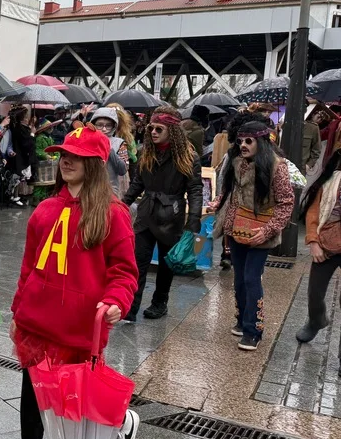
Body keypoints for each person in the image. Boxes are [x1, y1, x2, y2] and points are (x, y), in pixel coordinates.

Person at [0, 125, 140, 439]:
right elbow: (29, 268)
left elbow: (124, 271)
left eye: (77, 156)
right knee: (33, 396)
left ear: (96, 164)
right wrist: (18, 311)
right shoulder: (44, 210)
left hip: (80, 327)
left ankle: (121, 420)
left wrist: (116, 300)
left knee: (77, 403)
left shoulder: (113, 214)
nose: (66, 161)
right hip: (38, 323)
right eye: (63, 154)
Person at [212, 117, 294, 351]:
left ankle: (253, 330)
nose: (243, 145)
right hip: (236, 227)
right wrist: (219, 202)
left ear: (262, 141)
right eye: (240, 141)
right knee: (239, 279)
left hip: (261, 232)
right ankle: (241, 320)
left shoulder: (277, 166)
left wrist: (268, 230)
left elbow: (286, 203)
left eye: (249, 141)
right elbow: (229, 190)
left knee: (251, 278)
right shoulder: (235, 161)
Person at [123, 106, 202, 321]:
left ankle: (160, 303)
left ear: (172, 130)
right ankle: (131, 307)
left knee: (167, 265)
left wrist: (193, 220)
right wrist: (122, 204)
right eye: (151, 128)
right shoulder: (146, 152)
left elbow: (195, 189)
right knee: (138, 262)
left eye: (159, 128)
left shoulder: (188, 156)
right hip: (146, 213)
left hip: (171, 215)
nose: (153, 132)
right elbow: (137, 183)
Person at [299, 132, 341, 346]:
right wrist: (313, 241)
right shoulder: (331, 180)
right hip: (326, 244)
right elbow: (313, 212)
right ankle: (316, 320)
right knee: (314, 294)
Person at [89, 107, 129, 198]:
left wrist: (109, 149)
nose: (104, 129)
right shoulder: (87, 140)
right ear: (93, 124)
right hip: (88, 189)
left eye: (108, 125)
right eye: (99, 125)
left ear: (114, 126)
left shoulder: (120, 143)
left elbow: (123, 170)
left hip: (110, 192)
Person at [301, 105, 323, 173]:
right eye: (318, 117)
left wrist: (309, 165)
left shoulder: (313, 128)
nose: (319, 120)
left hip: (301, 167)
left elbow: (317, 150)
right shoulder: (286, 125)